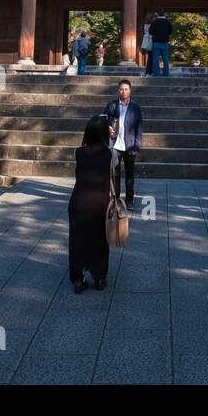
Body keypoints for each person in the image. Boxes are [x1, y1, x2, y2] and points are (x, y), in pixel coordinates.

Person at [69, 115, 114, 293]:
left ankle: (78, 279)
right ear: (105, 133)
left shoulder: (78, 152)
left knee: (77, 240)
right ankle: (100, 277)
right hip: (100, 203)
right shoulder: (110, 153)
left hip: (79, 200)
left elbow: (84, 149)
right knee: (100, 240)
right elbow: (112, 168)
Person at [104, 79, 143, 207]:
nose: (123, 92)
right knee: (114, 173)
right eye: (121, 89)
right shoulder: (112, 105)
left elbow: (139, 127)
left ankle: (129, 201)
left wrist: (137, 144)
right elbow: (102, 119)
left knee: (129, 174)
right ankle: (115, 199)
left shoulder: (135, 107)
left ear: (130, 91)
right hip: (115, 145)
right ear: (118, 90)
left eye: (126, 89)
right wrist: (106, 127)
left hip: (130, 145)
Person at [149, 10, 172, 77]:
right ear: (164, 15)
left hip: (156, 42)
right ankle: (166, 74)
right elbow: (170, 31)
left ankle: (156, 73)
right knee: (165, 59)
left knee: (155, 59)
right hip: (165, 42)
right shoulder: (167, 22)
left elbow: (150, 31)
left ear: (158, 15)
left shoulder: (154, 22)